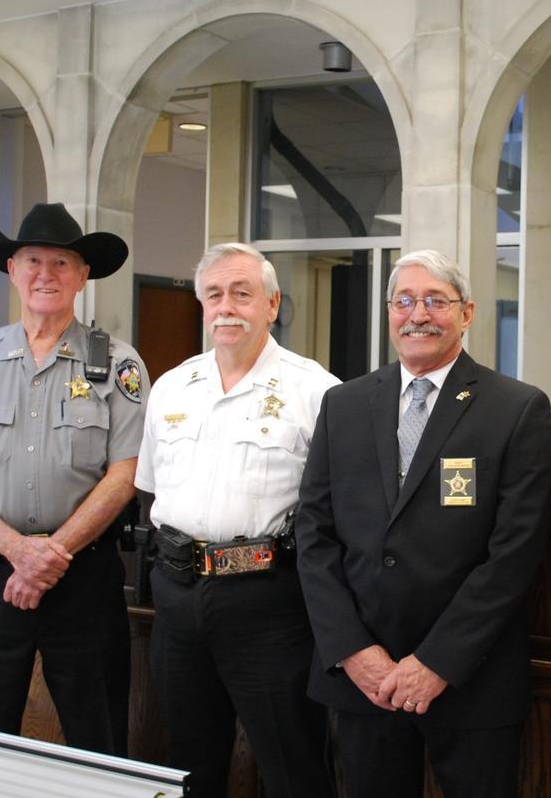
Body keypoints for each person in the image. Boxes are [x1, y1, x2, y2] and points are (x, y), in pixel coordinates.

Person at [295, 249, 551, 797]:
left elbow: (515, 552)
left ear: (467, 313)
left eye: (436, 300)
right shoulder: (342, 404)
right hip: (364, 680)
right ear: (389, 312)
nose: (418, 314)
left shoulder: (516, 408)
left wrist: (435, 662)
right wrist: (352, 651)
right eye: (404, 301)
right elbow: (314, 535)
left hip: (470, 678)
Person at [0, 202, 146, 755]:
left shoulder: (118, 364)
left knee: (100, 745)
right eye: (33, 261)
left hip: (84, 585)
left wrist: (51, 556)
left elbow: (125, 475)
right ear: (12, 270)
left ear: (82, 275)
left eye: (62, 263)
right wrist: (18, 551)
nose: (47, 274)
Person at [134, 242, 338, 798]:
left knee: (292, 762)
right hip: (176, 598)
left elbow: (339, 511)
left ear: (272, 305)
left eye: (242, 294)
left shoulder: (316, 391)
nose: (227, 307)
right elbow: (150, 489)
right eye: (214, 295)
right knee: (187, 762)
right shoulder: (172, 386)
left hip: (269, 602)